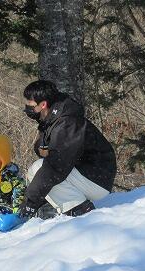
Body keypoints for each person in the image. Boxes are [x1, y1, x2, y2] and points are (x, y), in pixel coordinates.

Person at [19, 80, 117, 219]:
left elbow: (55, 167)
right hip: (85, 173)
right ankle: (52, 209)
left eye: (30, 103)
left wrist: (30, 202)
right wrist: (42, 148)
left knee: (41, 169)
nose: (27, 107)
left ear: (43, 104)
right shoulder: (52, 119)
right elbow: (43, 146)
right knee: (36, 170)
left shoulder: (67, 123)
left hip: (97, 178)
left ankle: (79, 210)